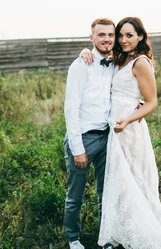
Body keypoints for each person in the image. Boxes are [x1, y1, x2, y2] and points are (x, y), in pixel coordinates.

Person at [81, 16, 161, 249]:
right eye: (121, 35)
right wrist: (84, 50)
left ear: (141, 37)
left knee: (134, 181)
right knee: (119, 183)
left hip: (129, 130)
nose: (123, 40)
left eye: (129, 35)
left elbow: (151, 102)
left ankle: (142, 231)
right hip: (114, 130)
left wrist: (128, 120)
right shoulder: (121, 59)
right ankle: (122, 230)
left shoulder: (141, 63)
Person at [63, 17, 116, 249]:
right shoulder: (80, 66)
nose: (107, 39)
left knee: (106, 193)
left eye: (110, 35)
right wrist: (77, 149)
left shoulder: (115, 63)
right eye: (101, 35)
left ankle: (105, 238)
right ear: (91, 37)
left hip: (108, 138)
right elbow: (70, 109)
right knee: (75, 196)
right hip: (83, 138)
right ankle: (73, 238)